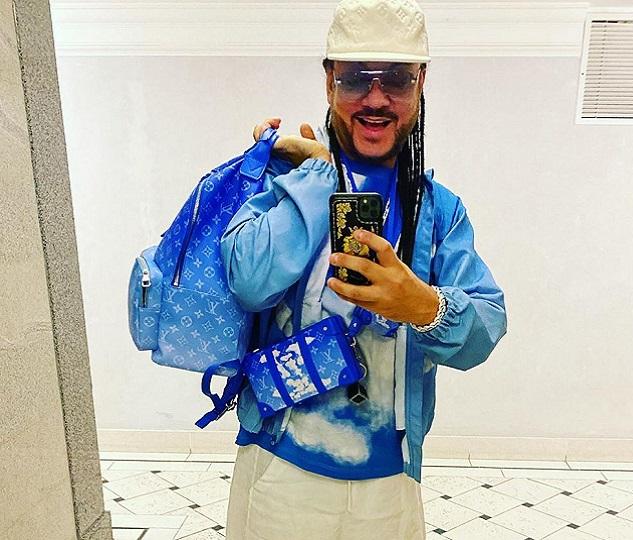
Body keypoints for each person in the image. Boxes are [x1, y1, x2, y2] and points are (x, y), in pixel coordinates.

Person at [220, 0, 507, 538]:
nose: (376, 99)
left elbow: (486, 329)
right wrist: (315, 177)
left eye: (395, 78)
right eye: (356, 78)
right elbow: (249, 283)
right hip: (281, 470)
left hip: (389, 483)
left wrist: (423, 306)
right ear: (330, 81)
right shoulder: (285, 181)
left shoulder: (438, 211)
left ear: (420, 83)